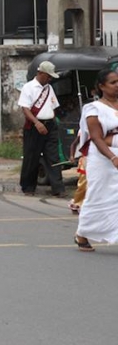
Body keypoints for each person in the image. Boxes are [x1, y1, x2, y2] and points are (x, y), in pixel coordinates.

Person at [74, 68, 118, 252]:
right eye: (113, 83)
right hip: (102, 158)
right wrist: (112, 156)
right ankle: (82, 233)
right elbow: (97, 137)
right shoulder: (93, 108)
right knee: (99, 196)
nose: (117, 86)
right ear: (101, 86)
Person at [18, 60, 65, 197]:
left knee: (53, 157)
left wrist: (52, 121)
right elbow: (25, 108)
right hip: (34, 126)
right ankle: (28, 186)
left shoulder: (49, 88)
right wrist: (37, 123)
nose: (50, 79)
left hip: (50, 125)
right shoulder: (29, 87)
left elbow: (53, 106)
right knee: (32, 156)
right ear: (40, 73)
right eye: (48, 76)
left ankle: (58, 188)